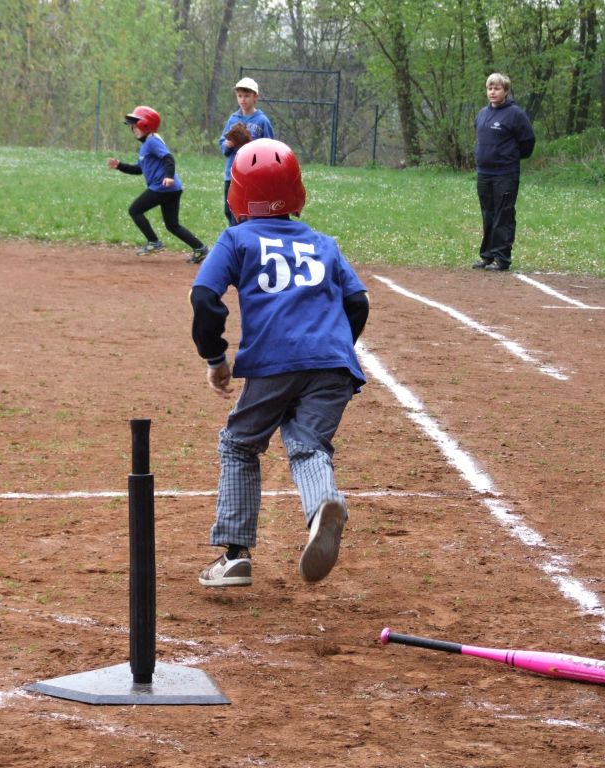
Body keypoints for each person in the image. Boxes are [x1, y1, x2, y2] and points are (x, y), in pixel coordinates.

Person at [190, 138, 369, 587]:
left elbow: (204, 299)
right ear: (296, 192)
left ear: (237, 196)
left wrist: (216, 358)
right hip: (333, 363)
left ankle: (235, 555)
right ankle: (322, 503)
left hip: (275, 361)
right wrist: (336, 348)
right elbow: (358, 302)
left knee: (240, 443)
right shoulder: (322, 242)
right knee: (308, 446)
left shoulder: (236, 238)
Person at [107, 105, 209, 264]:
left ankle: (154, 242)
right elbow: (139, 169)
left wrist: (168, 176)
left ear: (145, 124)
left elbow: (169, 158)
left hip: (163, 188)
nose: (132, 127)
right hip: (172, 189)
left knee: (135, 210)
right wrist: (120, 166)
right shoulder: (146, 144)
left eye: (135, 123)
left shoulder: (152, 141)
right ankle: (200, 249)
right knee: (172, 225)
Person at [472, 73, 535, 272]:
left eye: (497, 88)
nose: (492, 92)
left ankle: (502, 257)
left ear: (505, 91)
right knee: (488, 213)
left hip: (505, 174)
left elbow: (528, 142)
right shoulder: (482, 114)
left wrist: (509, 157)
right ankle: (487, 256)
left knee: (503, 214)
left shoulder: (515, 114)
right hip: (484, 172)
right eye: (490, 88)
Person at [219, 77, 274, 226]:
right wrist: (228, 144)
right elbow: (222, 144)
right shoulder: (233, 119)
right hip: (232, 173)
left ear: (255, 97)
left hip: (252, 175)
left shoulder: (262, 120)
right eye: (240, 96)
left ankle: (246, 239)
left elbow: (270, 147)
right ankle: (235, 240)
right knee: (229, 210)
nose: (243, 99)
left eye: (247, 95)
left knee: (248, 211)